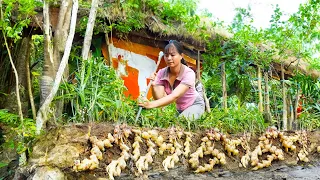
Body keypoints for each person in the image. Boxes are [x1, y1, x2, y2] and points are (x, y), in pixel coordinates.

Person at [138, 40, 205, 120]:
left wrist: (150, 104)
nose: (169, 58)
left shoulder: (189, 73)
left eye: (172, 55)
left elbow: (175, 96)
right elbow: (159, 98)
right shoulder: (161, 73)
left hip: (194, 105)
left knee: (179, 123)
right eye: (166, 55)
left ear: (181, 56)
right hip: (178, 109)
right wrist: (154, 85)